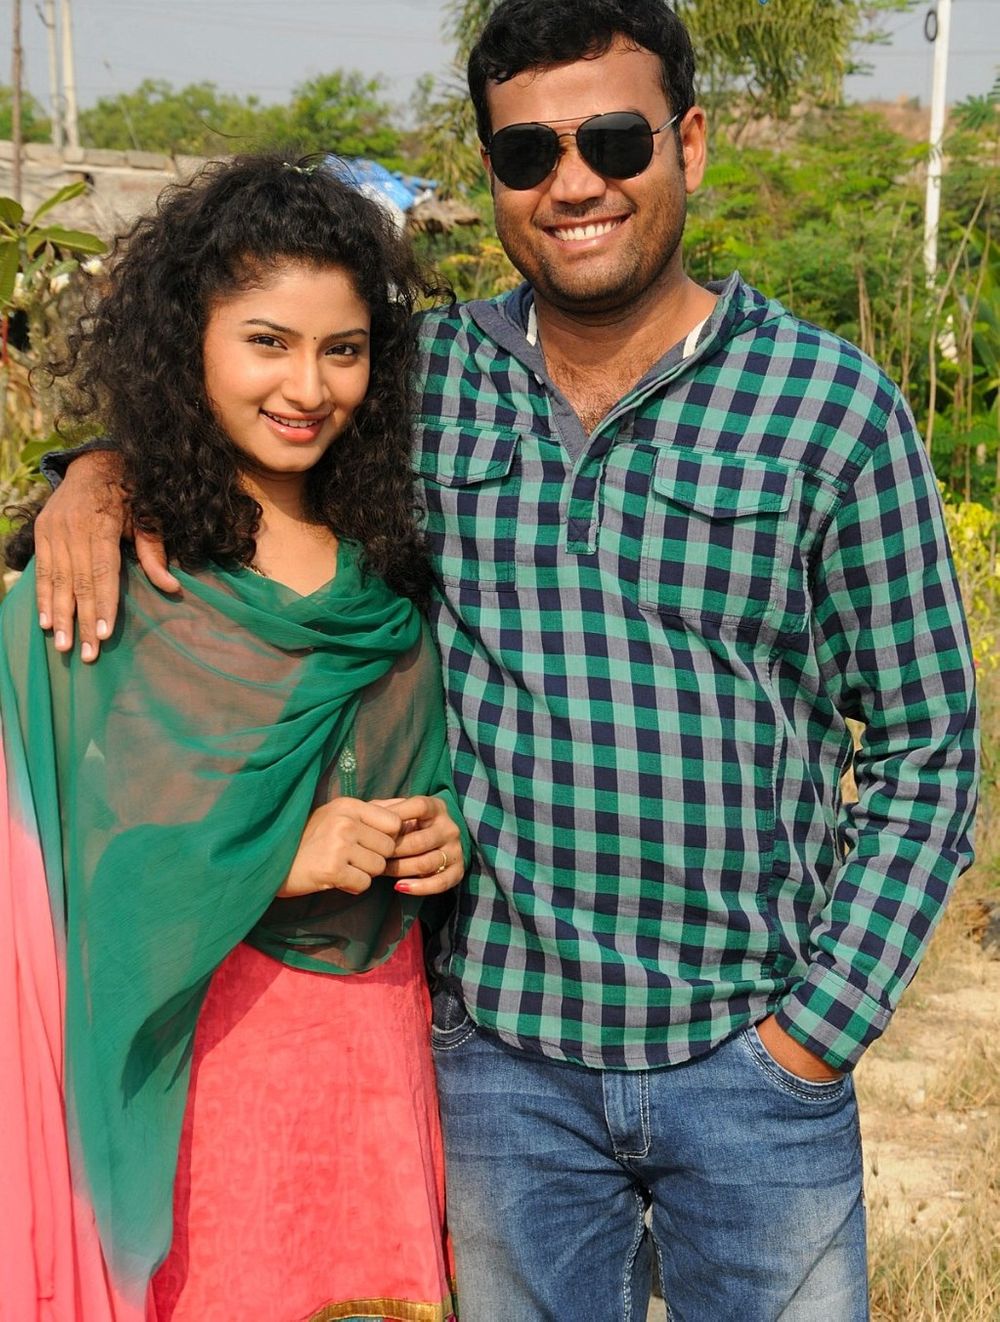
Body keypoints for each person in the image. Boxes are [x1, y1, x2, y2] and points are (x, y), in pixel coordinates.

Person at [30, 1, 980, 1318]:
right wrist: (92, 472)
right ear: (493, 174)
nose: (573, 182)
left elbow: (929, 745)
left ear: (690, 143)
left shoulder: (830, 408)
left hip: (750, 1061)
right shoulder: (426, 383)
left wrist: (815, 1032)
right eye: (530, 152)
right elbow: (251, 408)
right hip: (500, 1068)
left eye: (613, 139)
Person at [0, 154, 468, 1321]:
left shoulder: (391, 568)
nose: (307, 385)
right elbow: (53, 888)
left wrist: (443, 831)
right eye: (267, 342)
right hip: (195, 1077)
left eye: (342, 349)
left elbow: (418, 766)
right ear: (187, 344)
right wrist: (276, 856)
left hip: (376, 1057)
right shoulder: (107, 582)